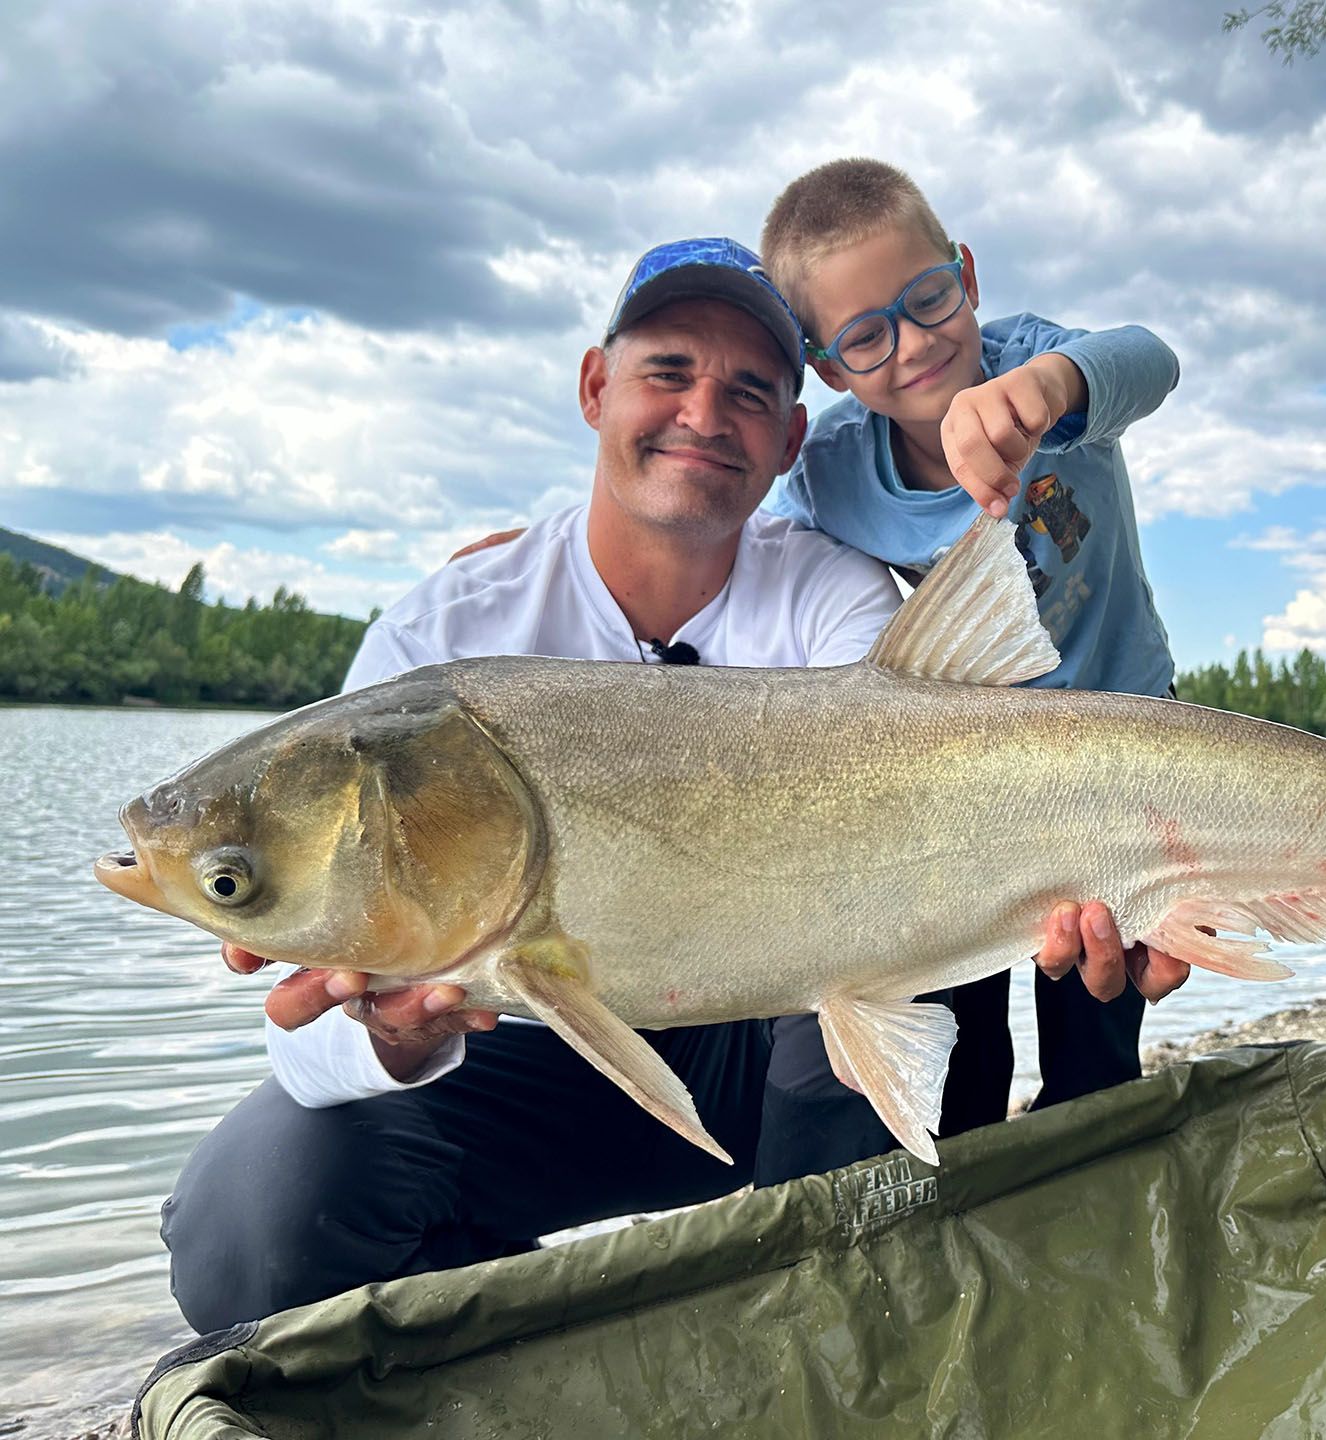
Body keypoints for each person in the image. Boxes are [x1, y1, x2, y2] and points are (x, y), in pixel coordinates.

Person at [162, 238, 1181, 1336]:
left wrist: (1122, 875)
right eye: (667, 372)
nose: (705, 410)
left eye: (749, 389)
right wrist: (399, 1035)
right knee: (248, 1219)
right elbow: (303, 1048)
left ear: (792, 437)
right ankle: (531, 1349)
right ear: (597, 387)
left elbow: (959, 796)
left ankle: (844, 1318)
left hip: (777, 1055)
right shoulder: (439, 634)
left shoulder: (832, 599)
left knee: (931, 967)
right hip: (528, 1058)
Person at [758, 158, 1183, 1129]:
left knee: (1098, 1015)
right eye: (867, 335)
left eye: (929, 298)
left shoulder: (1032, 359)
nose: (913, 344)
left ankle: (1096, 1182)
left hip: (1128, 735)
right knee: (966, 1013)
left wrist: (1047, 384)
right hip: (976, 779)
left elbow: (1149, 357)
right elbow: (748, 554)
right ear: (829, 371)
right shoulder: (830, 475)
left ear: (969, 277)